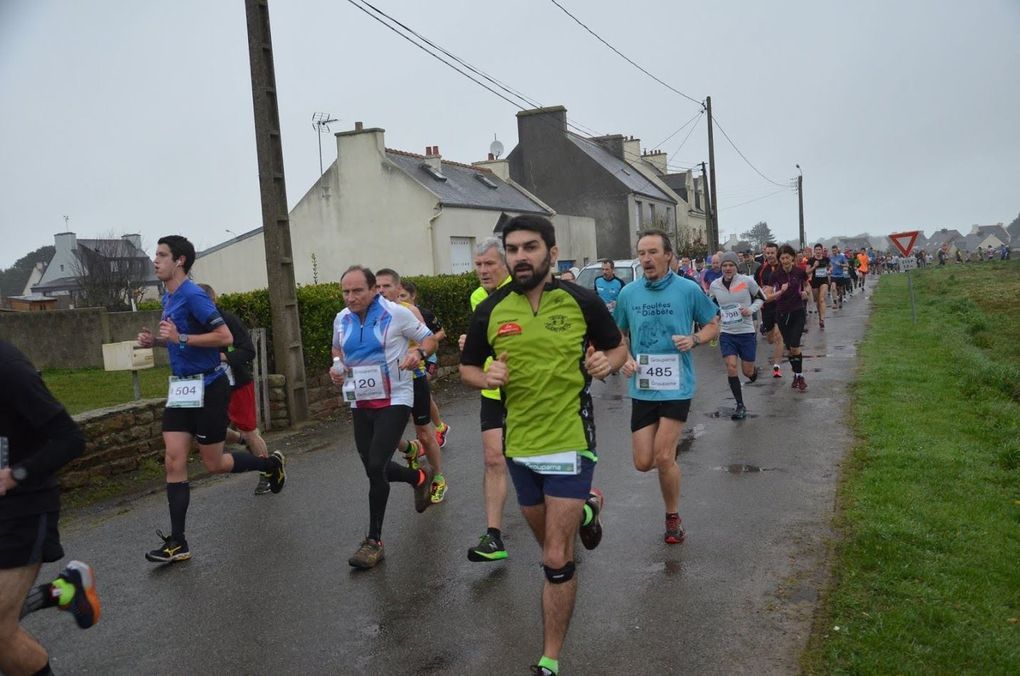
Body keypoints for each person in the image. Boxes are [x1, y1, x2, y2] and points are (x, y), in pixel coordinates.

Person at [460, 215, 628, 676]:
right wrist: (485, 376)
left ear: (552, 253)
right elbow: (467, 367)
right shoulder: (491, 310)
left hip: (571, 438)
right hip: (521, 446)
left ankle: (549, 659)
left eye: (529, 248)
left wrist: (605, 364)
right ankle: (588, 510)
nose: (519, 257)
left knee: (555, 558)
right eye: (512, 249)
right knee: (552, 545)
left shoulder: (581, 300)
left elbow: (617, 348)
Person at [137, 236, 286, 563]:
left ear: (180, 261)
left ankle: (269, 464)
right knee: (173, 460)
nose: (155, 260)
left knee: (214, 463)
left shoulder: (192, 295)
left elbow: (225, 338)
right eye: (156, 254)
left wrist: (181, 337)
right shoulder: (169, 296)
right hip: (181, 389)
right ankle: (178, 542)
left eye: (161, 255)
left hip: (208, 388)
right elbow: (181, 344)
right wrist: (158, 343)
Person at [1, 339, 102, 676]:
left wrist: (15, 475)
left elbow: (70, 439)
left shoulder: (10, 369)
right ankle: (64, 589)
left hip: (21, 511)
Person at [615, 230, 720, 544]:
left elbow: (713, 323)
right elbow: (617, 335)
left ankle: (672, 517)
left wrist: (695, 339)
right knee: (642, 462)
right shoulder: (628, 294)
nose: (646, 259)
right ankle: (665, 464)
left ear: (668, 256)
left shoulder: (688, 290)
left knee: (663, 457)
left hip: (677, 385)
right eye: (641, 253)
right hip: (642, 386)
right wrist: (624, 359)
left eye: (652, 252)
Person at [330, 266, 439, 569]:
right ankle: (418, 477)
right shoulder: (341, 318)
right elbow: (337, 349)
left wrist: (418, 354)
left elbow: (429, 340)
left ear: (373, 289)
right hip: (359, 399)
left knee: (377, 464)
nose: (350, 297)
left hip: (395, 398)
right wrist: (337, 366)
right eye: (345, 292)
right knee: (372, 468)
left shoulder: (397, 314)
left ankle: (373, 542)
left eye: (357, 291)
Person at [458, 238, 514, 562]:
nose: (482, 270)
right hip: (492, 388)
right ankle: (493, 537)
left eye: (489, 264)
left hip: (525, 391)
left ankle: (573, 504)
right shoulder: (478, 297)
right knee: (494, 459)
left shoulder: (522, 294)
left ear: (505, 264)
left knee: (536, 462)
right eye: (478, 264)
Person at [376, 269, 447, 505]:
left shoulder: (409, 311)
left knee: (425, 434)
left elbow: (430, 340)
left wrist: (417, 353)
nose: (381, 291)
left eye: (386, 286)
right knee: (381, 434)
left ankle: (437, 477)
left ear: (398, 289)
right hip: (385, 383)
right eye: (377, 286)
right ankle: (411, 449)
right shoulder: (370, 314)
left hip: (412, 379)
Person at [197, 284, 272, 496]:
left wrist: (222, 356)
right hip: (210, 386)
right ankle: (242, 441)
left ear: (213, 301)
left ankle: (267, 473)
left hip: (237, 384)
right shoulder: (194, 325)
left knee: (249, 431)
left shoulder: (228, 321)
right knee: (211, 428)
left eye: (203, 303)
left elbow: (249, 351)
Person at [709, 252, 764, 420]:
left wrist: (750, 310)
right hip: (727, 333)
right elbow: (711, 303)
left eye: (730, 265)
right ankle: (740, 405)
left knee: (747, 372)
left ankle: (753, 371)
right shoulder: (715, 285)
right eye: (724, 265)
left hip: (746, 332)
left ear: (736, 266)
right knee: (731, 367)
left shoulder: (747, 281)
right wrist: (715, 317)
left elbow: (761, 298)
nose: (727, 268)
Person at [397, 280, 451, 450]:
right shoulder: (396, 314)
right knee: (422, 396)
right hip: (409, 362)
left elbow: (441, 332)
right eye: (398, 296)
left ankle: (428, 432)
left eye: (403, 296)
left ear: (413, 296)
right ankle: (439, 427)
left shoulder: (423, 313)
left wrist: (428, 342)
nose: (400, 299)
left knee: (421, 393)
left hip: (428, 359)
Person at [771, 245, 811, 390]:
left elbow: (806, 285)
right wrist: (779, 292)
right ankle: (796, 374)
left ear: (792, 258)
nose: (785, 260)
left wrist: (805, 292)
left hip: (797, 311)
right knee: (789, 347)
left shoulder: (799, 272)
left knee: (795, 344)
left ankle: (800, 376)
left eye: (787, 257)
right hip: (782, 313)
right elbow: (769, 294)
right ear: (779, 259)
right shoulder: (775, 275)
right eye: (782, 258)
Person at [755, 242, 786, 378]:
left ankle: (776, 366)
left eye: (772, 253)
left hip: (782, 305)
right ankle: (779, 346)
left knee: (779, 336)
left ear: (777, 253)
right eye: (767, 253)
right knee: (770, 339)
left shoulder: (784, 267)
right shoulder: (761, 270)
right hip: (767, 306)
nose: (770, 256)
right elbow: (755, 288)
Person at [805, 244, 831, 330]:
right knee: (817, 301)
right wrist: (814, 266)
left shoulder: (826, 259)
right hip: (815, 282)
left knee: (822, 299)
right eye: (816, 250)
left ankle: (822, 319)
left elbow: (831, 267)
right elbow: (807, 272)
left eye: (820, 249)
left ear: (822, 250)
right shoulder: (811, 260)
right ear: (814, 251)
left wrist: (830, 270)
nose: (818, 251)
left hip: (824, 281)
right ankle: (820, 317)